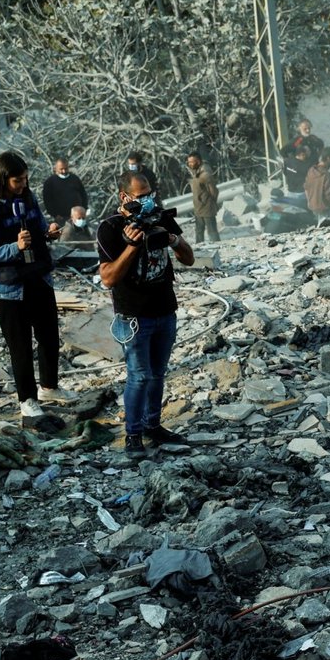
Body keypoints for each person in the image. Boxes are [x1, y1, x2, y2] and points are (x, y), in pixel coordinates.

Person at [96, 170, 195, 458]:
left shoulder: (160, 217)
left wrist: (174, 240)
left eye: (150, 194)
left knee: (157, 375)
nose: (147, 201)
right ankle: (133, 434)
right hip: (133, 316)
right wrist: (132, 246)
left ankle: (153, 425)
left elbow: (187, 258)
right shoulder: (111, 228)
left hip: (165, 309)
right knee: (138, 376)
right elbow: (108, 278)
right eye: (140, 197)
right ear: (124, 197)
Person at [0, 151, 69, 421]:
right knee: (21, 346)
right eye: (18, 181)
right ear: (3, 179)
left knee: (49, 337)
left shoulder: (27, 197)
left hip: (38, 276)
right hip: (9, 288)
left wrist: (48, 231)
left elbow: (37, 226)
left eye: (25, 179)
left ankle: (50, 386)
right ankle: (27, 399)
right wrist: (15, 247)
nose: (23, 185)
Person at [40, 157, 87, 226]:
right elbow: (47, 200)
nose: (64, 171)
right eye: (61, 169)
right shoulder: (50, 182)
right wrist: (54, 214)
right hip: (61, 218)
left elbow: (83, 194)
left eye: (66, 169)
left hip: (78, 217)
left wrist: (84, 209)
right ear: (56, 169)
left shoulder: (75, 179)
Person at [187, 152, 219, 244]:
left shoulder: (205, 173)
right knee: (199, 232)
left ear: (198, 161)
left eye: (191, 162)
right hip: (199, 208)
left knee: (212, 232)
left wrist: (211, 203)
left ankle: (218, 249)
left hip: (207, 207)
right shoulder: (197, 171)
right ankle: (199, 251)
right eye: (188, 162)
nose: (190, 164)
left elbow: (213, 191)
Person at [284, 119, 323, 193]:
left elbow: (321, 144)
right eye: (305, 129)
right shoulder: (298, 140)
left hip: (313, 168)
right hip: (301, 171)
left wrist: (318, 155)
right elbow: (284, 151)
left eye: (309, 128)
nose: (308, 130)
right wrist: (292, 162)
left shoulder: (313, 138)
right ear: (299, 128)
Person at [304, 150, 330, 222]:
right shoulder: (326, 175)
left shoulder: (311, 171)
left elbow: (306, 188)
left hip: (314, 206)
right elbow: (329, 195)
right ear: (328, 158)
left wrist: (309, 202)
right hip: (325, 207)